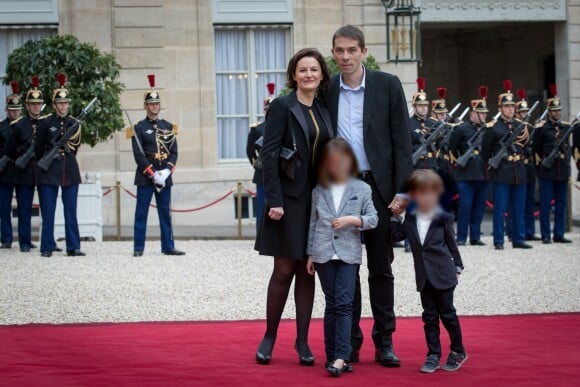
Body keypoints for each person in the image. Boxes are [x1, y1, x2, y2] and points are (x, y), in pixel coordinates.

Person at [322, 25, 412, 366]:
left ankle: (384, 341)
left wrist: (403, 191)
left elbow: (403, 143)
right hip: (341, 189)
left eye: (351, 50)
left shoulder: (387, 85)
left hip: (378, 188)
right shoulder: (326, 89)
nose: (345, 57)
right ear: (333, 53)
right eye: (339, 51)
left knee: (380, 267)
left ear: (363, 51)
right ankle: (351, 340)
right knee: (346, 266)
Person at [254, 48, 333, 366]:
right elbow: (269, 154)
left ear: (321, 75)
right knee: (284, 270)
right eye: (303, 70)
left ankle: (302, 341)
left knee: (307, 271)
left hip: (316, 202)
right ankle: (269, 337)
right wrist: (274, 200)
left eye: (314, 69)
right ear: (294, 75)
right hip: (286, 202)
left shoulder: (325, 109)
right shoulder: (282, 106)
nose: (309, 75)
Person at [305, 138, 378, 377]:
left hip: (349, 253)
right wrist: (310, 254)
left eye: (341, 162)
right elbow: (313, 224)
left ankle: (341, 356)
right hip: (323, 252)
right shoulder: (319, 190)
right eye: (332, 162)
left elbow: (373, 219)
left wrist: (351, 220)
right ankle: (332, 356)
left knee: (345, 304)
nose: (337, 166)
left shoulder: (362, 189)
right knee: (331, 305)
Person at [391, 169, 467, 373]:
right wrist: (395, 217)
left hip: (443, 271)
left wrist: (458, 265)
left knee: (448, 314)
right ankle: (433, 355)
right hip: (424, 274)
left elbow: (451, 241)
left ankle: (458, 351)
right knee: (429, 316)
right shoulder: (410, 217)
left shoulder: (443, 215)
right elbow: (397, 236)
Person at [129, 74, 184, 257]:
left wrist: (166, 171)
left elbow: (174, 151)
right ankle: (138, 247)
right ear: (145, 106)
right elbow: (138, 154)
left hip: (164, 175)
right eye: (151, 104)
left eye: (156, 103)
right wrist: (153, 173)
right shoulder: (138, 127)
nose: (154, 106)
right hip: (146, 177)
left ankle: (168, 246)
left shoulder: (168, 126)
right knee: (141, 213)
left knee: (165, 214)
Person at [35, 73, 84, 257]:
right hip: (49, 171)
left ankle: (73, 246)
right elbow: (38, 148)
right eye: (60, 103)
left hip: (69, 170)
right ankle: (47, 246)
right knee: (48, 211)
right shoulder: (46, 122)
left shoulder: (74, 123)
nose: (63, 106)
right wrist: (48, 159)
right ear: (54, 105)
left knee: (71, 210)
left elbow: (75, 148)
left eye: (65, 103)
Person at [481, 80, 532, 250]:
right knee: (500, 209)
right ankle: (499, 240)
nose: (510, 109)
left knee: (519, 208)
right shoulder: (493, 128)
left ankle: (518, 239)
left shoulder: (521, 126)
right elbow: (485, 153)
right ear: (500, 108)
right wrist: (494, 164)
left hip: (519, 170)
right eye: (507, 106)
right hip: (502, 171)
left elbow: (527, 147)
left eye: (512, 106)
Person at [448, 86, 490, 246]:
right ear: (473, 113)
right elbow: (452, 149)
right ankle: (461, 237)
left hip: (483, 173)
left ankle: (475, 236)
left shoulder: (487, 130)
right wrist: (460, 163)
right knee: (465, 206)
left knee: (479, 208)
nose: (485, 115)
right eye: (482, 113)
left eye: (486, 113)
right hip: (466, 174)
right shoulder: (461, 129)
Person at [8, 76, 44, 252]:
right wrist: (23, 156)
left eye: (38, 104)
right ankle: (24, 242)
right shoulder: (19, 125)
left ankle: (47, 241)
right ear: (27, 106)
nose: (36, 107)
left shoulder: (46, 123)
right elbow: (10, 150)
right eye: (33, 104)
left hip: (43, 171)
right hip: (24, 171)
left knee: (47, 209)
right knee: (24, 209)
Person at [533, 84, 572, 244]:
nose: (557, 113)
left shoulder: (565, 128)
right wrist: (541, 167)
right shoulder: (542, 129)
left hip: (561, 170)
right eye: (554, 110)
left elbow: (569, 149)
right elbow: (536, 150)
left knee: (561, 204)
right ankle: (545, 235)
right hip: (547, 171)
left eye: (559, 110)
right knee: (545, 205)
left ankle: (559, 233)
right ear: (549, 111)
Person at [246, 83, 275, 230]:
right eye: (268, 109)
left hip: (279, 172)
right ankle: (261, 234)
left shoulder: (284, 126)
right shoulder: (257, 129)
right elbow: (250, 151)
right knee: (262, 205)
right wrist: (258, 164)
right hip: (263, 172)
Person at [515, 89, 540, 241]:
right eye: (522, 111)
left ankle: (529, 231)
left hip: (529, 167)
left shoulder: (530, 128)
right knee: (517, 202)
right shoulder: (515, 128)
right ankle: (515, 231)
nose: (525, 114)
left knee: (530, 201)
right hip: (518, 166)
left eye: (526, 111)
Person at [0, 81, 22, 249]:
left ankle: (24, 239)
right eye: (12, 110)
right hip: (5, 172)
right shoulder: (1, 127)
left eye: (17, 109)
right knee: (4, 208)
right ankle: (7, 239)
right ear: (7, 110)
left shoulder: (26, 126)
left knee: (23, 208)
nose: (15, 112)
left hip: (22, 172)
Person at [431, 87, 456, 214]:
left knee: (447, 203)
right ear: (433, 114)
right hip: (436, 166)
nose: (443, 116)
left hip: (448, 168)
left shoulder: (449, 128)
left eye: (444, 113)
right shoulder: (429, 127)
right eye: (440, 113)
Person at [410, 77, 438, 171]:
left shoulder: (433, 123)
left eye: (425, 105)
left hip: (432, 165)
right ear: (414, 107)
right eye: (420, 105)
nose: (424, 108)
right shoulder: (408, 124)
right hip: (416, 166)